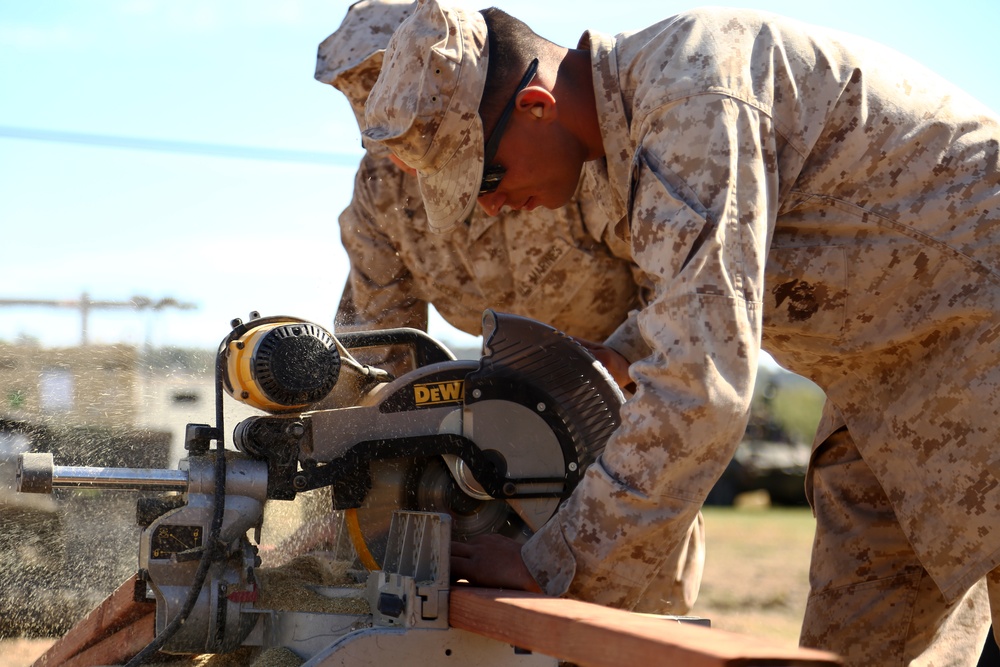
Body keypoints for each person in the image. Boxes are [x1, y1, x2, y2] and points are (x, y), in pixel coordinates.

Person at [363, 1, 1000, 664]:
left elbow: (701, 387)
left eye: (487, 178)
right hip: (889, 380)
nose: (491, 206)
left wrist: (551, 562)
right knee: (857, 648)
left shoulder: (689, 94)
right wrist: (626, 352)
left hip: (973, 347)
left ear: (534, 105)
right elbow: (706, 290)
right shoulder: (640, 122)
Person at [289, 0, 706, 616]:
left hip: (613, 425)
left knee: (633, 619)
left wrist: (628, 465)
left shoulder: (571, 152)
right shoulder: (382, 195)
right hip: (484, 444)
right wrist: (344, 488)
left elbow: (675, 318)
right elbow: (374, 356)